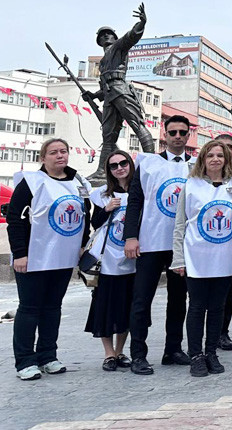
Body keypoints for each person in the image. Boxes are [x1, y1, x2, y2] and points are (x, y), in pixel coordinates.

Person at [7, 139, 92, 380]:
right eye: (53, 152)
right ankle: (25, 361)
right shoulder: (31, 183)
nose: (59, 156)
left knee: (53, 308)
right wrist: (20, 253)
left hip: (63, 258)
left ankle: (48, 355)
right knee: (30, 308)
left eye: (63, 151)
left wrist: (82, 245)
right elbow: (15, 219)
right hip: (34, 257)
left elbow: (85, 215)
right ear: (43, 158)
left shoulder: (78, 183)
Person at [124, 115, 193, 375]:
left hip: (182, 245)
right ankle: (138, 354)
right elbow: (135, 201)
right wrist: (131, 236)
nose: (177, 136)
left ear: (188, 135)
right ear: (164, 134)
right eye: (172, 132)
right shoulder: (148, 163)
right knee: (142, 300)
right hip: (151, 242)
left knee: (178, 300)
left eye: (182, 132)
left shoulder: (197, 165)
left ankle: (173, 349)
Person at [170, 140, 232, 377]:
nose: (215, 159)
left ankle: (211, 352)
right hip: (197, 257)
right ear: (203, 159)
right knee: (196, 307)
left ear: (227, 159)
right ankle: (196, 355)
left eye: (220, 156)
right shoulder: (190, 185)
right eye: (210, 155)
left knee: (217, 307)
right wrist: (178, 258)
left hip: (225, 256)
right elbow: (180, 224)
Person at [87, 3, 156, 179]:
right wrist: (94, 96)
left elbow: (131, 37)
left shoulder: (118, 47)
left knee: (136, 124)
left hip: (121, 90)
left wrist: (141, 23)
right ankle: (102, 171)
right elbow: (104, 88)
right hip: (109, 95)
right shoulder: (103, 62)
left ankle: (152, 164)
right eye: (102, 35)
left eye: (108, 34)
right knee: (108, 136)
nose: (105, 37)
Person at [85, 150, 137, 372]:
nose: (119, 168)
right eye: (114, 166)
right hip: (108, 259)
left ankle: (120, 350)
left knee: (126, 306)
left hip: (132, 258)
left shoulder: (139, 191)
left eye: (123, 163)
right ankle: (108, 354)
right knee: (104, 306)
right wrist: (106, 210)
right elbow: (95, 223)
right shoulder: (102, 194)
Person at [213, 133, 232, 352]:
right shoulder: (199, 179)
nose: (226, 152)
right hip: (204, 247)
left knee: (228, 292)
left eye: (230, 148)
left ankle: (223, 332)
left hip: (229, 246)